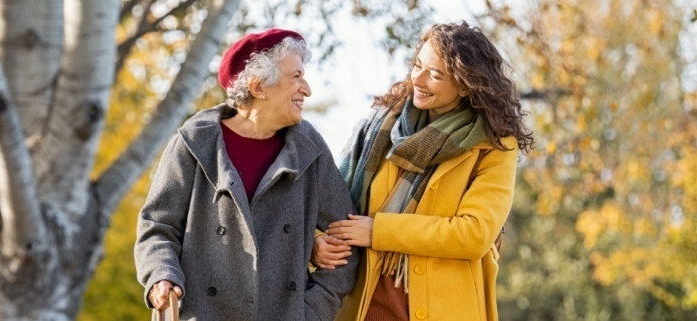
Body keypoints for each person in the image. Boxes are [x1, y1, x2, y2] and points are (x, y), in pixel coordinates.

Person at [311, 21, 535, 321]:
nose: (418, 79)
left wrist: (379, 231)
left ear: (465, 85)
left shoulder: (493, 146)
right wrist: (316, 243)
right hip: (365, 305)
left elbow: (474, 234)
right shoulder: (378, 129)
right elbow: (329, 204)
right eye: (417, 65)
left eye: (435, 75)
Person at [134, 28, 359, 321]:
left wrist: (311, 311)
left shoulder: (310, 149)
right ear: (258, 87)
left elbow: (347, 238)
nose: (306, 89)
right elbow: (157, 226)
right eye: (296, 76)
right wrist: (161, 275)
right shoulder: (194, 143)